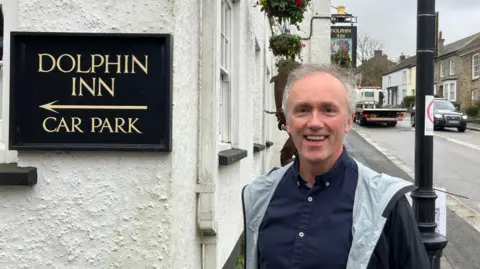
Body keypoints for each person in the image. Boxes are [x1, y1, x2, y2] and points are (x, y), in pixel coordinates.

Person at [241, 63, 430, 269]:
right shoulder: (260, 195)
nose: (314, 122)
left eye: (328, 110)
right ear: (288, 122)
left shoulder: (387, 204)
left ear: (349, 121)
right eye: (302, 110)